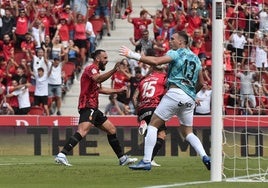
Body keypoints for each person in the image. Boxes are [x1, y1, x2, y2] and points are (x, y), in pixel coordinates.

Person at [119, 31, 211, 171]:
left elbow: (156, 61)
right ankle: (205, 156)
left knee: (153, 126)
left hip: (175, 92)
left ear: (181, 42)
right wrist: (192, 94)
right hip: (189, 98)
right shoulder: (196, 59)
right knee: (188, 133)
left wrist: (132, 54)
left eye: (173, 39)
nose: (170, 41)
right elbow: (201, 82)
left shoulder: (176, 53)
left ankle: (146, 161)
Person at [55, 49, 137, 166]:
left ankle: (122, 158)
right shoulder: (91, 69)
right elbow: (98, 79)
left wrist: (118, 90)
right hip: (87, 105)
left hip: (94, 107)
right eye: (105, 58)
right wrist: (114, 70)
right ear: (98, 59)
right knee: (82, 131)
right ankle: (62, 154)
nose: (107, 60)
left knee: (111, 129)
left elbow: (100, 89)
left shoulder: (96, 71)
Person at [132, 63, 167, 167]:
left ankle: (143, 122)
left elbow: (134, 97)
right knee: (161, 135)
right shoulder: (164, 77)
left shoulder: (144, 80)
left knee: (150, 134)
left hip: (142, 110)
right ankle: (149, 159)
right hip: (155, 108)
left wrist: (138, 111)